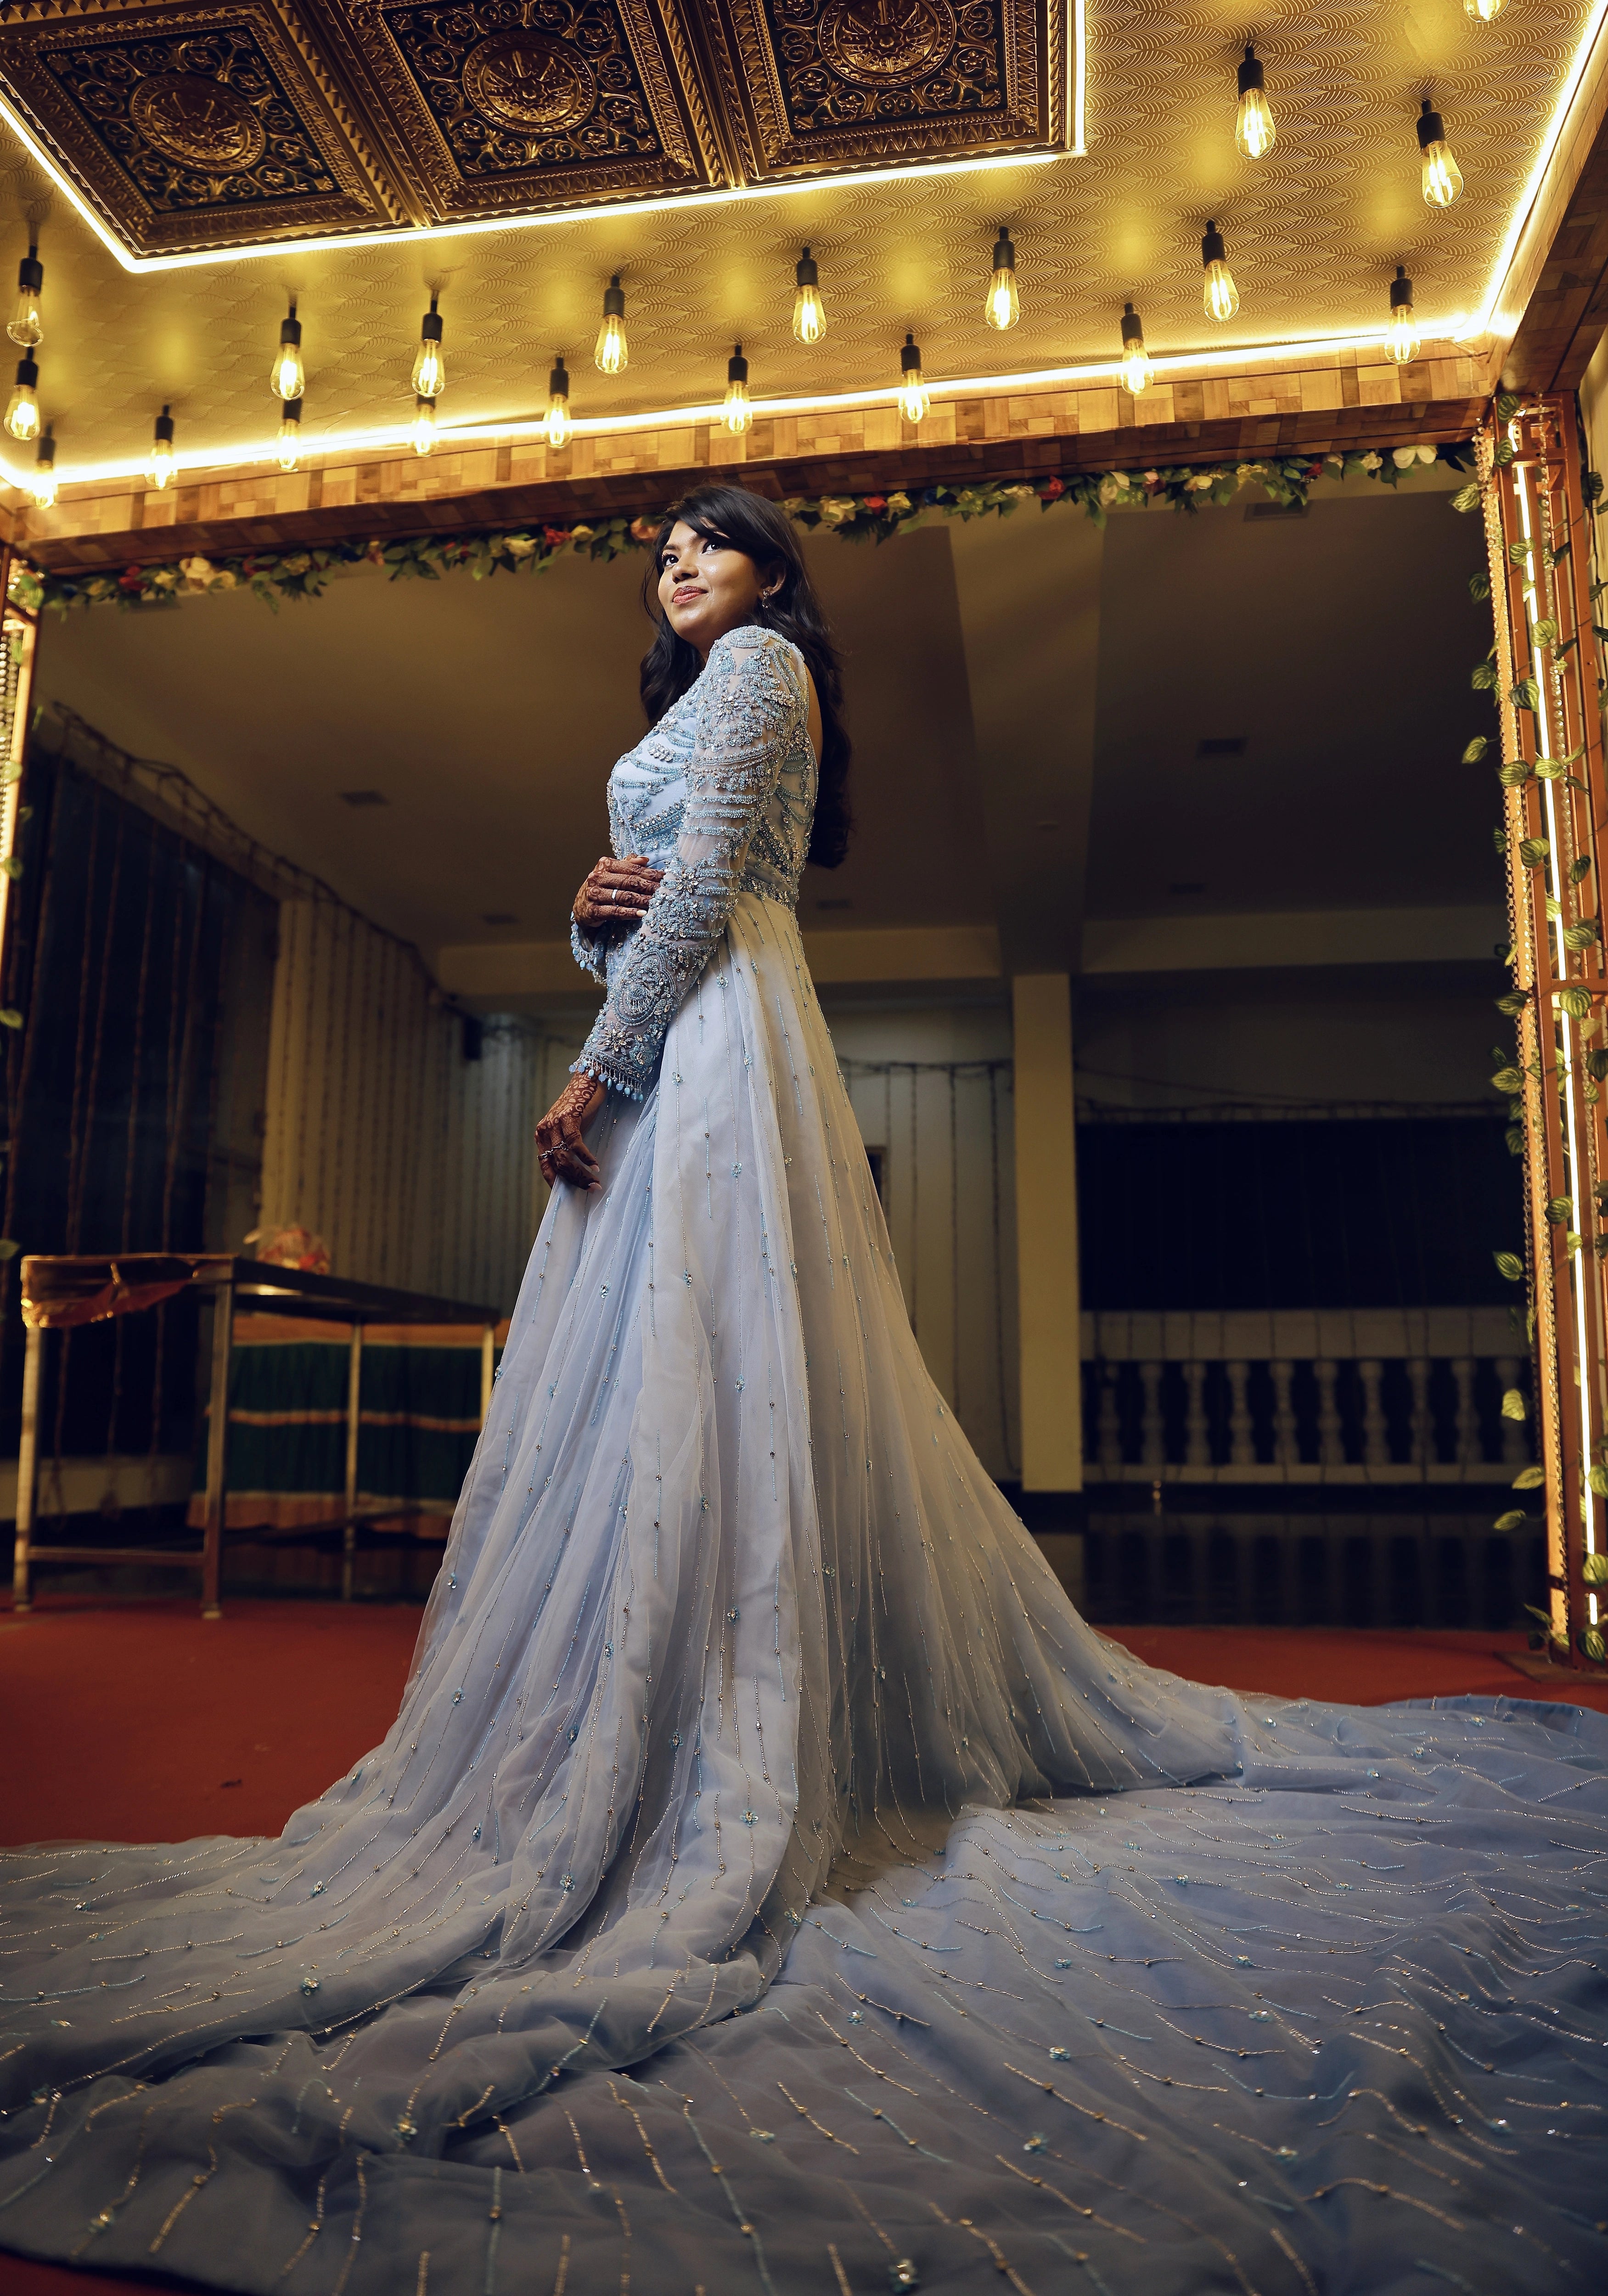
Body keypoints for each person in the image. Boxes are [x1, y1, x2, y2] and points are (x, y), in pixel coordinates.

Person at [1, 485, 1604, 2295]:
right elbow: (649, 899)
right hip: (682, 1019)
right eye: (664, 547)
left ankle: (729, 1734)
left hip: (716, 1049)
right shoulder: (698, 692)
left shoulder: (765, 667)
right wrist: (595, 937)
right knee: (659, 1396)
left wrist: (600, 1065)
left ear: (773, 568)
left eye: (710, 535)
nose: (673, 561)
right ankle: (669, 1707)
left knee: (713, 1374)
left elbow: (714, 887)